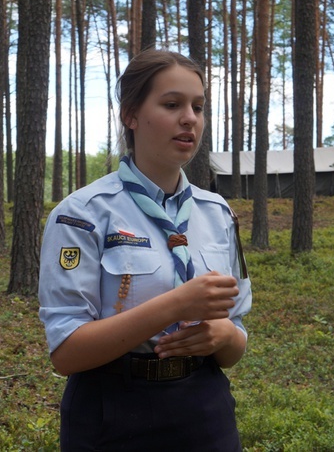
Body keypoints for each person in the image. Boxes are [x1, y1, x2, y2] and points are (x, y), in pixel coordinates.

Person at [38, 49, 252, 451]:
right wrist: (176, 305)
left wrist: (223, 333)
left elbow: (235, 341)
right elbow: (66, 353)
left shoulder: (217, 213)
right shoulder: (83, 215)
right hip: (111, 412)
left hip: (205, 412)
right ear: (131, 115)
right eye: (172, 104)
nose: (190, 117)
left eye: (198, 106)